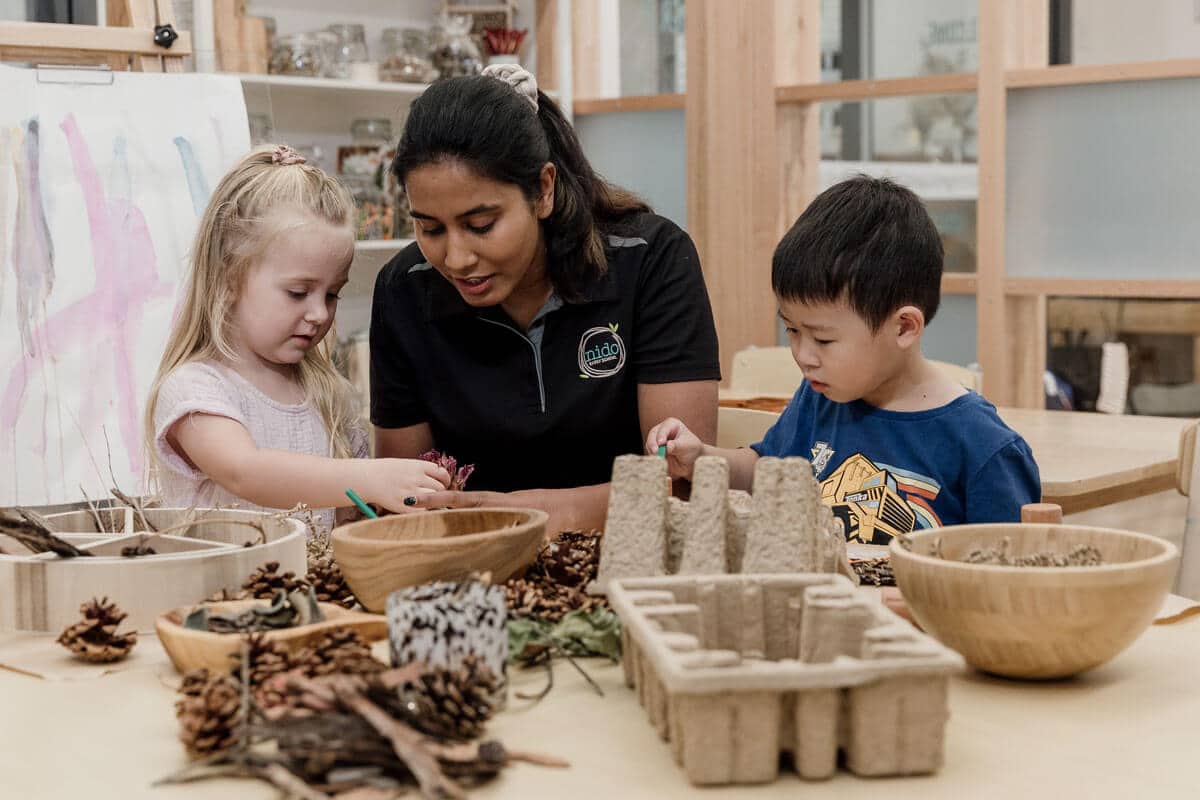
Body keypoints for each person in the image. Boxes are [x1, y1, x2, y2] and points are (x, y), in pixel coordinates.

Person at [370, 65, 720, 535]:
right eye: (430, 228)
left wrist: (523, 514)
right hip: (472, 557)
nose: (456, 258)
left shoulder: (650, 260)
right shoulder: (404, 290)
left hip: (629, 552)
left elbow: (682, 481)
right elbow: (407, 497)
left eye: (481, 225)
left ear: (544, 190)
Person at [647, 176, 1040, 545]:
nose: (803, 356)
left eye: (823, 338)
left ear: (903, 327)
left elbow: (1006, 578)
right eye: (792, 331)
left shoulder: (983, 447)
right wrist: (702, 459)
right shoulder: (820, 398)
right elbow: (768, 472)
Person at [144, 145, 449, 530]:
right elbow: (245, 471)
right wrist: (369, 477)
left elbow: (347, 517)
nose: (320, 313)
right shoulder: (194, 391)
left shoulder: (328, 395)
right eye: (298, 293)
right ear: (228, 276)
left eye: (332, 294)